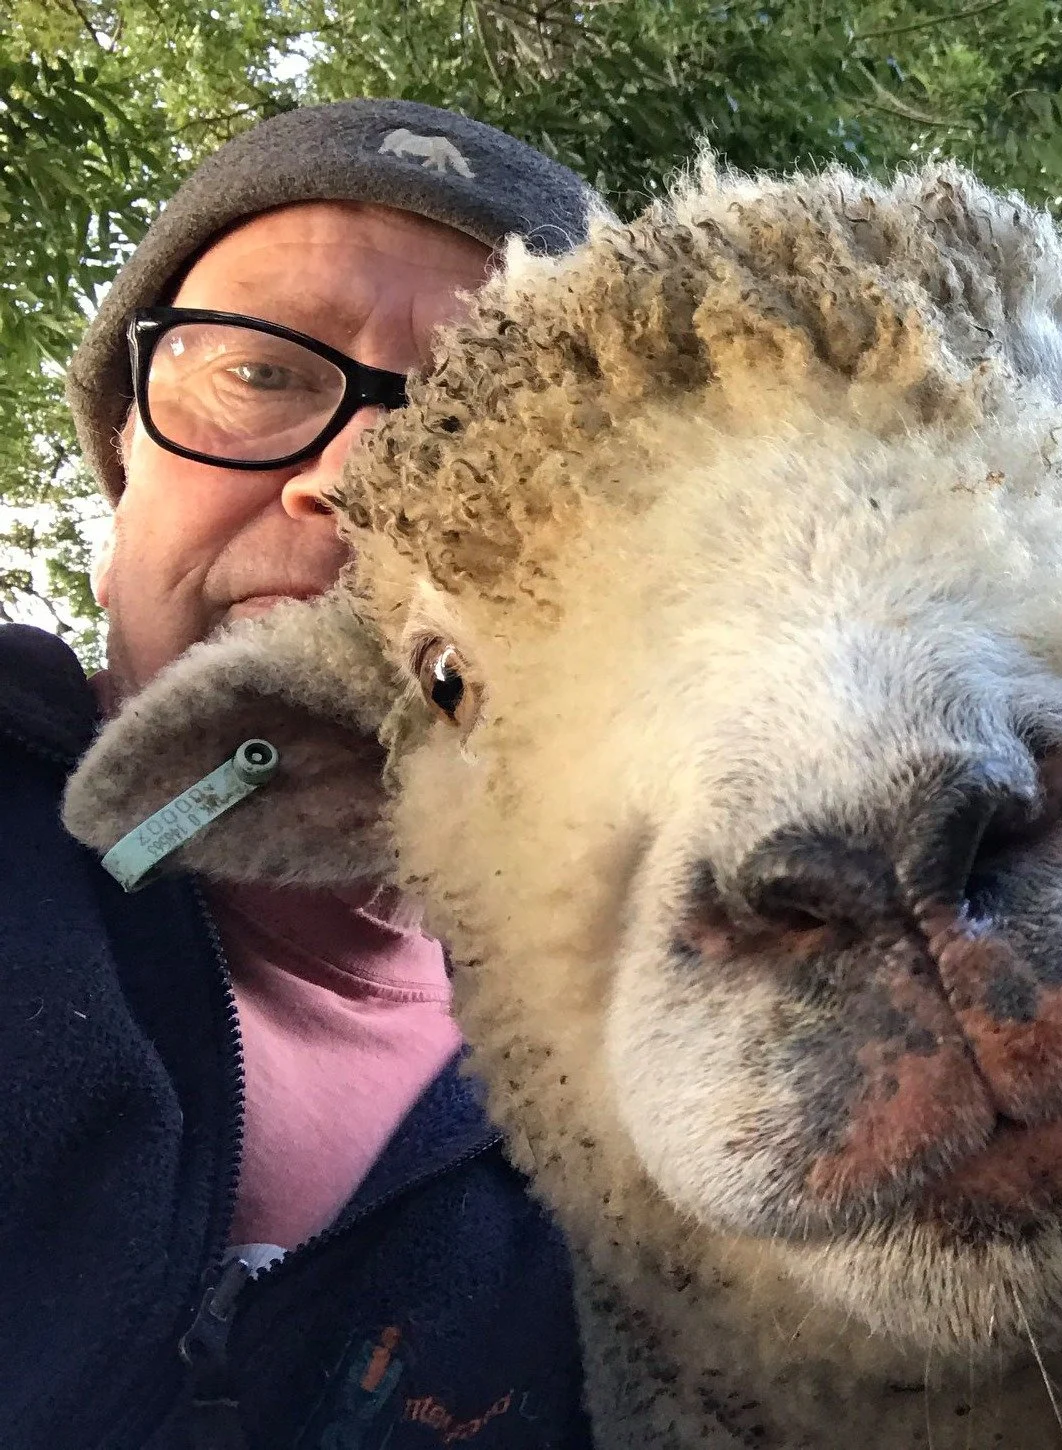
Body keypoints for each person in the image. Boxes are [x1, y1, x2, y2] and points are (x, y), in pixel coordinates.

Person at [0, 100, 601, 1448]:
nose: (347, 479)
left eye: (477, 419)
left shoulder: (668, 1104)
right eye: (262, 375)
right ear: (120, 479)